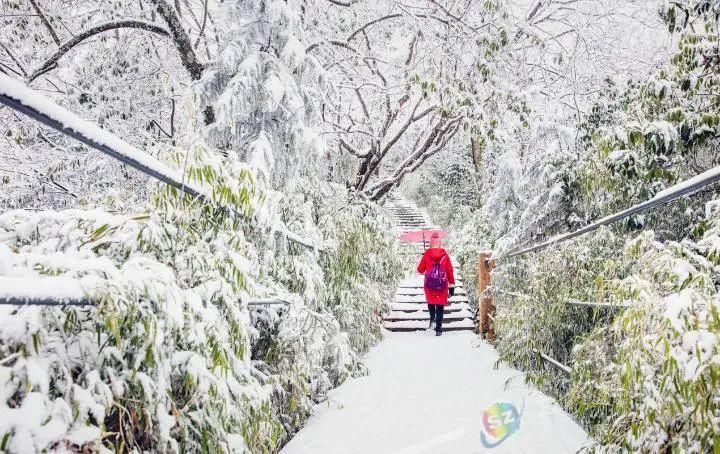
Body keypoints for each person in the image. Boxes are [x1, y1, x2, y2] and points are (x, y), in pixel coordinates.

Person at [416, 232, 455, 336]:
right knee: (440, 306)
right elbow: (450, 270)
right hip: (442, 284)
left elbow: (420, 270)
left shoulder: (427, 254)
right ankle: (438, 329)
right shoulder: (445, 255)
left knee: (431, 303)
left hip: (429, 284)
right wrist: (452, 285)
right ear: (440, 243)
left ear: (430, 243)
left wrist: (423, 259)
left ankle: (432, 320)